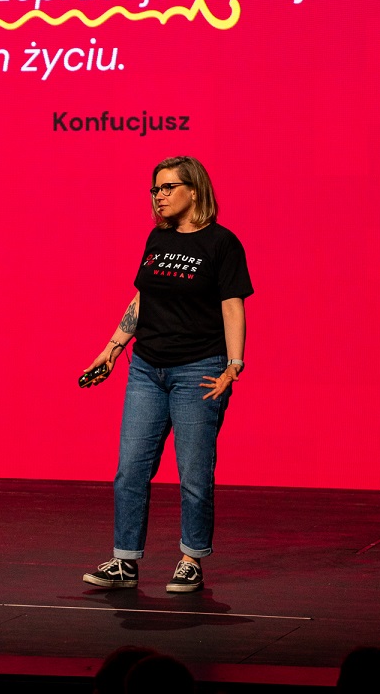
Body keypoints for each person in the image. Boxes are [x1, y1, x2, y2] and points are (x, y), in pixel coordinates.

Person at [81, 155, 253, 594]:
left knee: (194, 473)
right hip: (146, 369)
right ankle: (124, 561)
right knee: (130, 469)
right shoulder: (157, 238)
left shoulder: (222, 243)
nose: (158, 196)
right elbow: (143, 297)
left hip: (199, 369)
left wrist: (234, 365)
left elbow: (232, 306)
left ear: (193, 190)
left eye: (167, 187)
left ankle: (191, 559)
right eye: (154, 189)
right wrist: (112, 349)